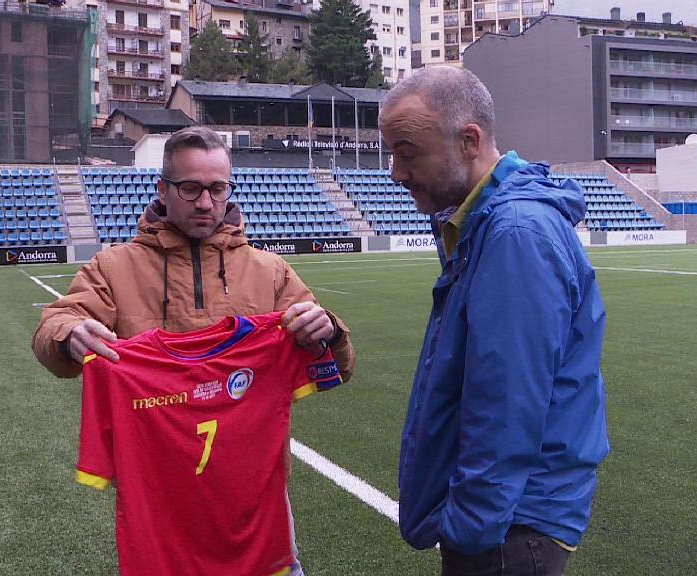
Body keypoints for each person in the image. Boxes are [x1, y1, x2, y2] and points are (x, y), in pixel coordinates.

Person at [31, 126, 356, 575]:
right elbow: (53, 326)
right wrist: (68, 335)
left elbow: (336, 367)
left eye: (217, 188)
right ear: (163, 190)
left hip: (254, 490)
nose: (205, 202)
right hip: (158, 492)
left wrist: (330, 333)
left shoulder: (270, 271)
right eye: (190, 188)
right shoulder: (113, 268)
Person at [378, 67, 609, 576]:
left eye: (407, 153)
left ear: (468, 140)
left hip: (509, 529)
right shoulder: (484, 222)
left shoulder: (515, 232)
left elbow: (507, 401)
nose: (395, 172)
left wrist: (470, 531)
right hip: (510, 519)